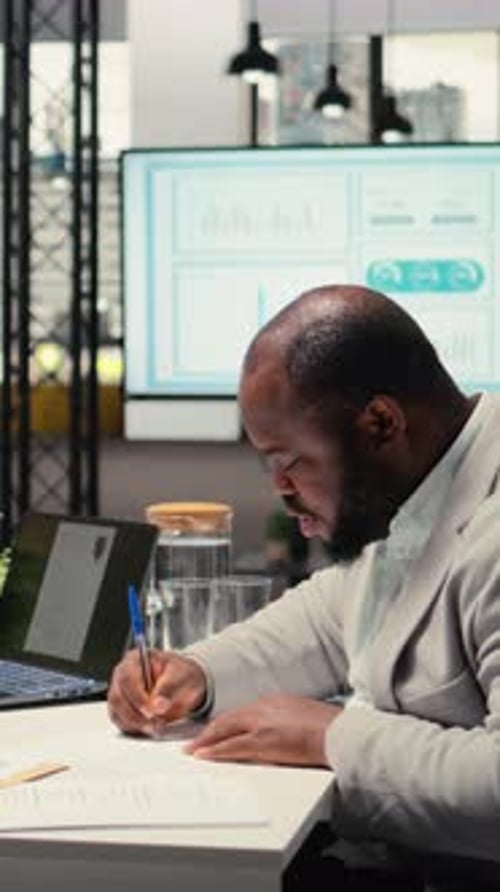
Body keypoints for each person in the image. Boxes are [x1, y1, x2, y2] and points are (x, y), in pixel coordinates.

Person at [108, 285, 500, 888]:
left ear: (380, 423)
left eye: (289, 462)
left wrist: (333, 738)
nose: (281, 493)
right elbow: (329, 619)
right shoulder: (423, 485)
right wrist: (199, 673)